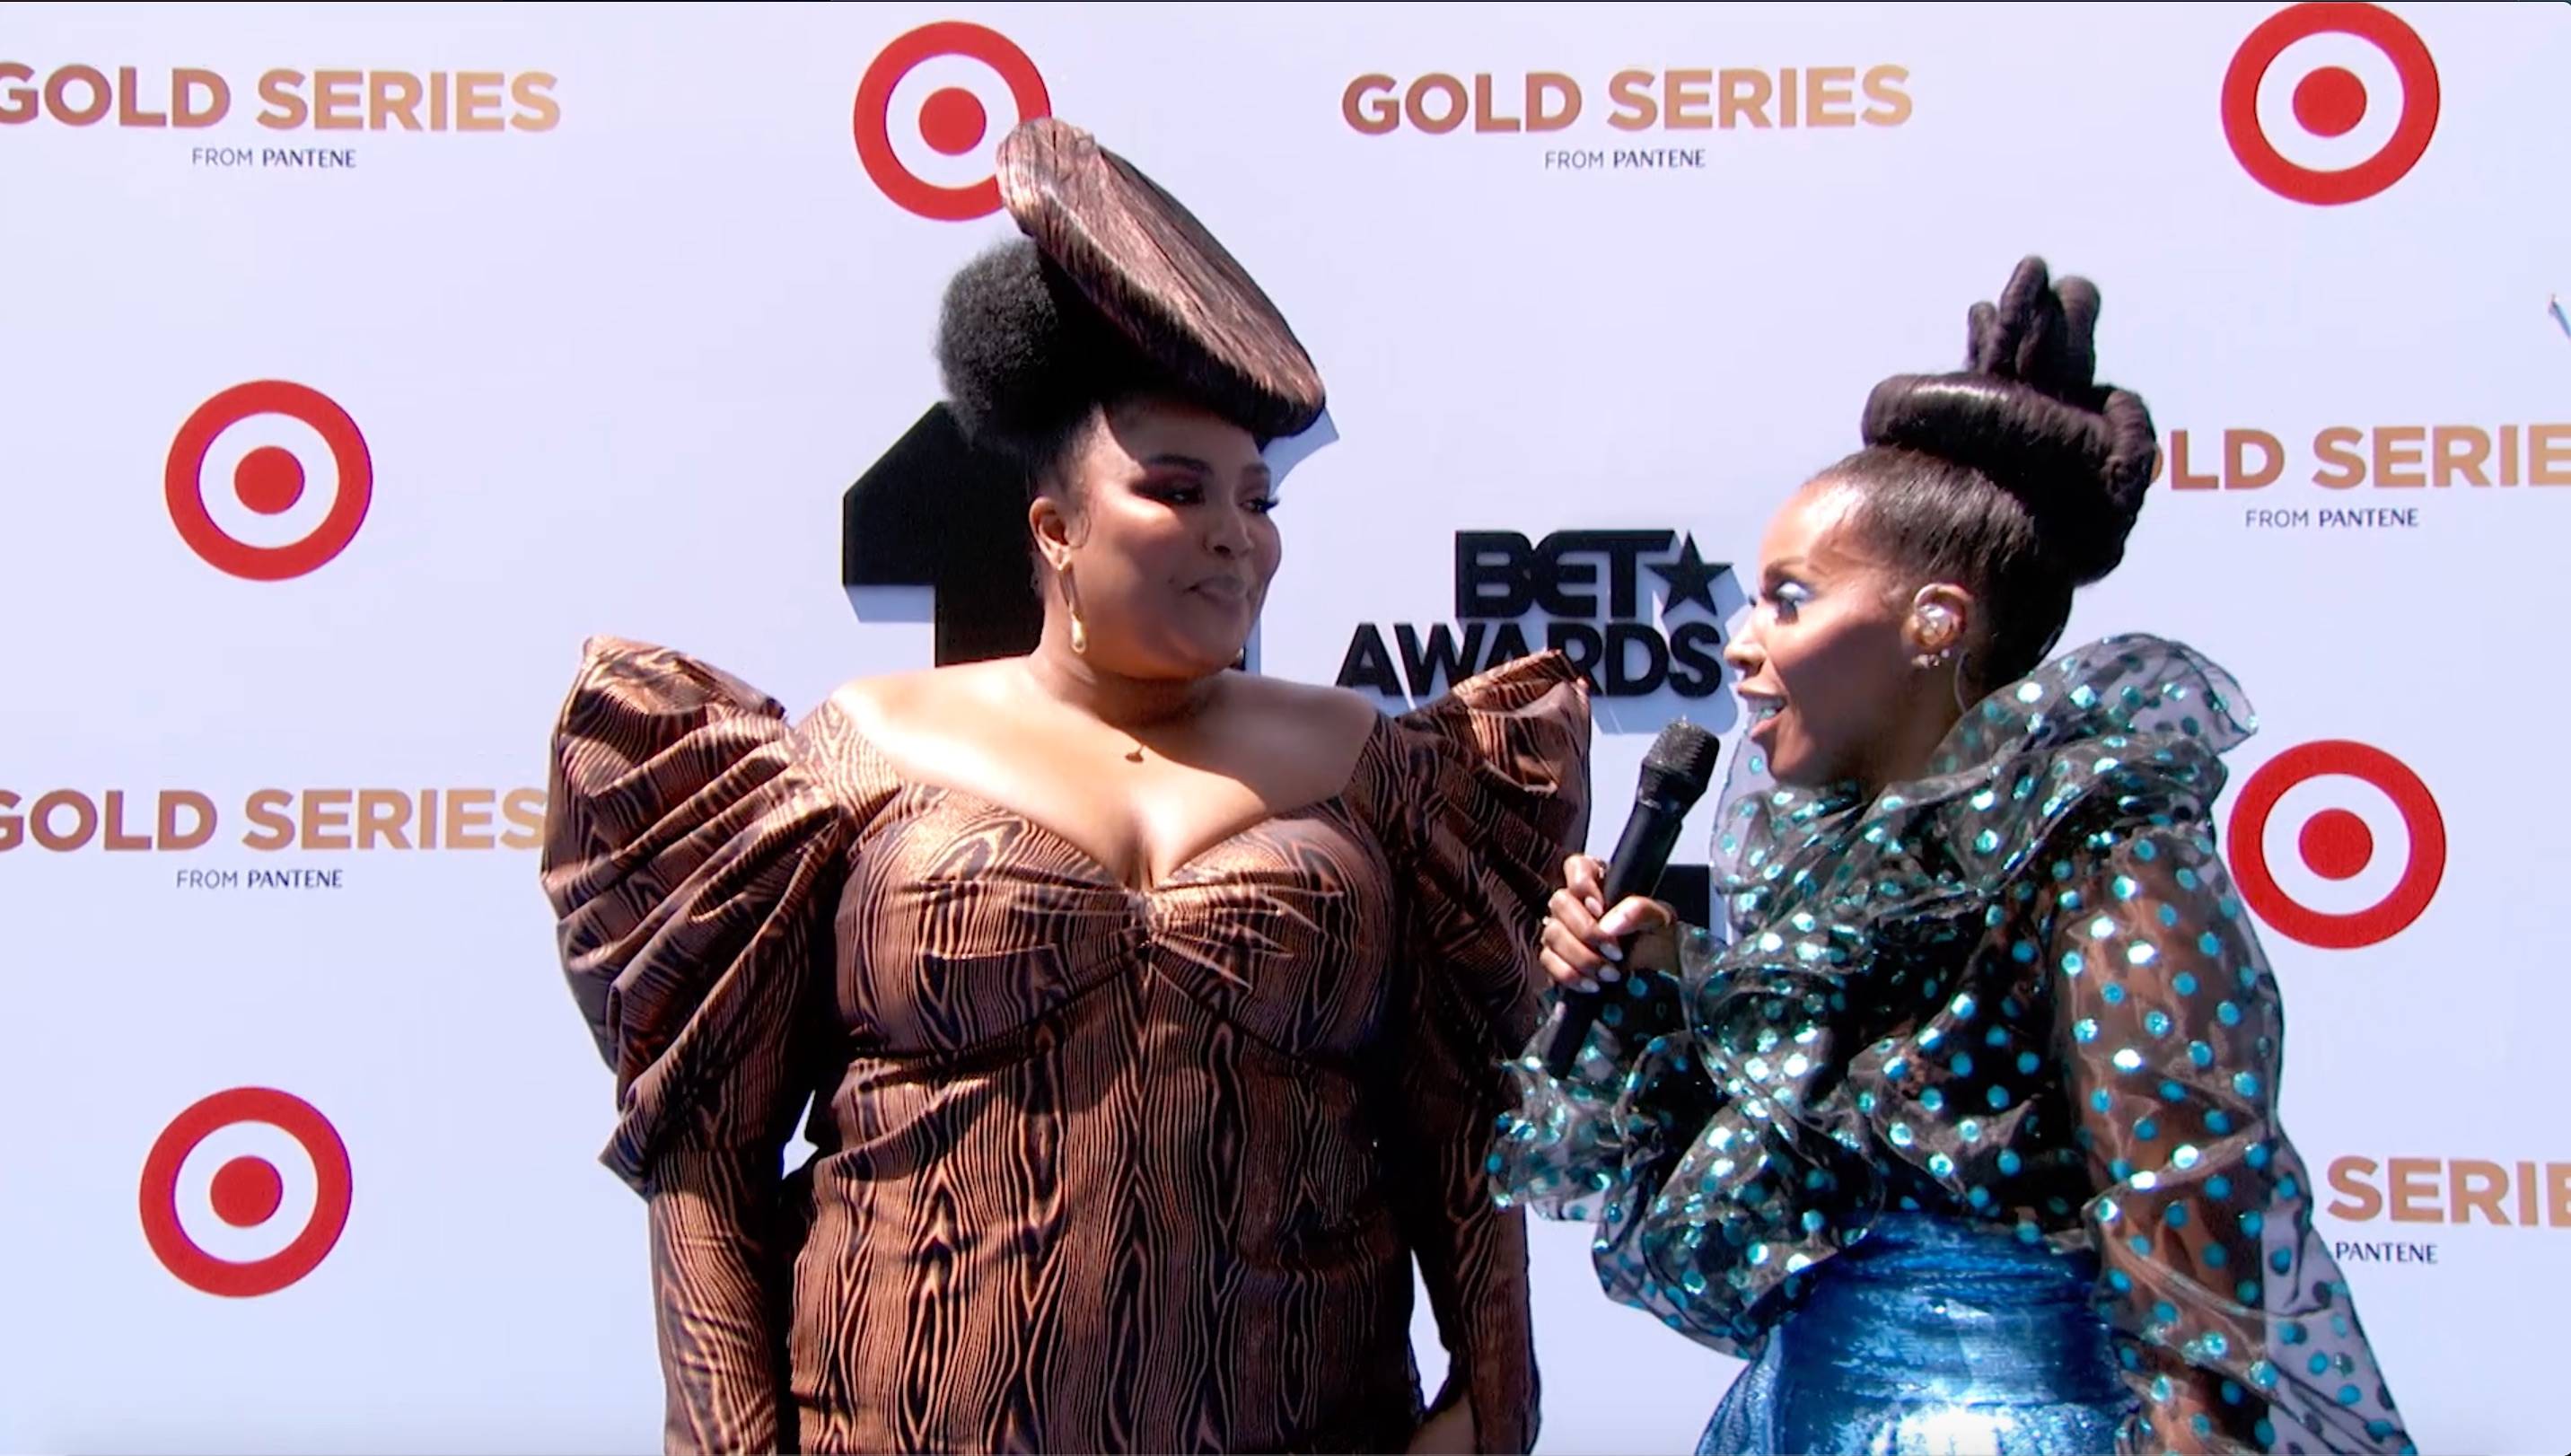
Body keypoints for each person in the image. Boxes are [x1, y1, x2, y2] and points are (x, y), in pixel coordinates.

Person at [537, 118, 1591, 1456]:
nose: (1234, 530)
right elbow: (710, 1161)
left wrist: (1493, 1408)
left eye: (1258, 497)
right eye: (1174, 487)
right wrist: (730, 1444)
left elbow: (1463, 1130)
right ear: (1053, 526)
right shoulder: (850, 760)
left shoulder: (1382, 771)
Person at [1493, 257, 2414, 1456]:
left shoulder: (2107, 845)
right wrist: (1669, 986)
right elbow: (1813, 1163)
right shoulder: (1835, 856)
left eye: (1787, 598)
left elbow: (2191, 1214)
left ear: (1937, 621)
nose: (1738, 644)